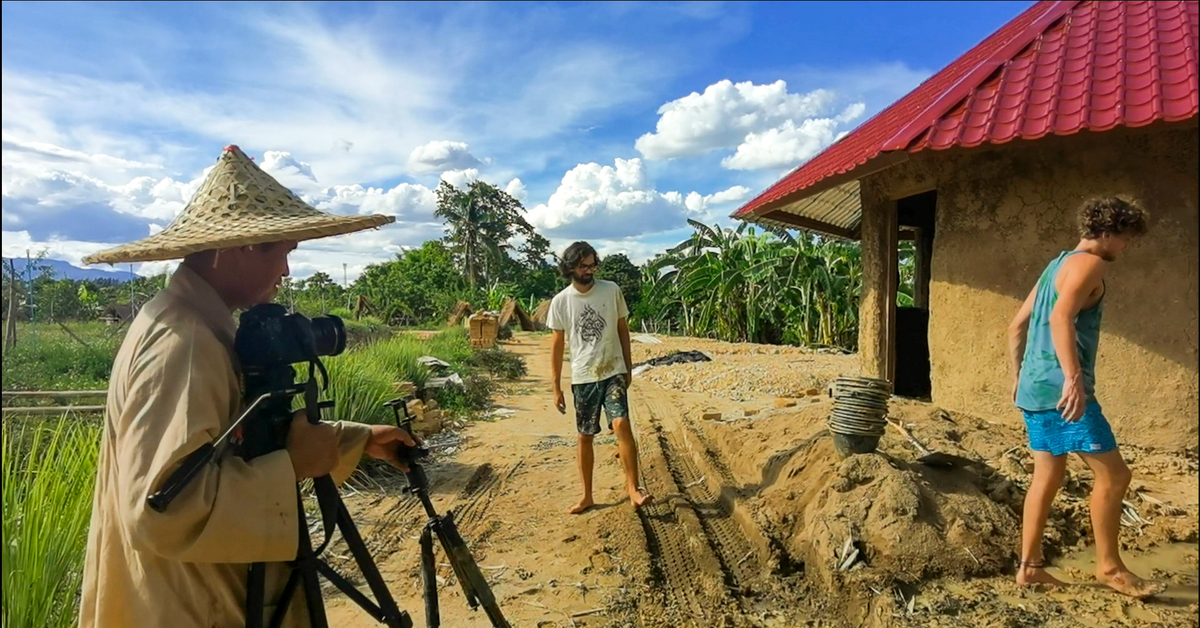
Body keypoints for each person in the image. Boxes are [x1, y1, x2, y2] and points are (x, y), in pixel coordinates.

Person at [77, 145, 417, 627]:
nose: (286, 272)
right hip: (192, 604)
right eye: (283, 252)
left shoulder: (192, 322)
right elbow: (162, 510)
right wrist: (295, 465)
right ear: (239, 247)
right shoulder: (187, 342)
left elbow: (234, 439)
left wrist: (357, 439)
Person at [1008, 196, 1164, 599]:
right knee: (1114, 475)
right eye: (1127, 238)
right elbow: (1060, 317)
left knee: (1048, 475)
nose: (1127, 246)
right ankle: (1110, 568)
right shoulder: (1090, 264)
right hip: (1064, 393)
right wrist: (1073, 380)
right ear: (1108, 232)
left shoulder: (1055, 264)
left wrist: (1019, 379)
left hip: (1035, 388)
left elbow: (1017, 326)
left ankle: (1029, 568)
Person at [547, 242, 653, 514]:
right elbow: (557, 345)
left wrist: (628, 367)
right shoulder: (561, 301)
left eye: (593, 265)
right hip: (583, 376)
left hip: (613, 370)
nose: (589, 270)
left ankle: (633, 488)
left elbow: (622, 328)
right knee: (585, 436)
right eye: (584, 266)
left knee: (621, 424)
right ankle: (587, 496)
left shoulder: (611, 290)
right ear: (570, 267)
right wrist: (556, 386)